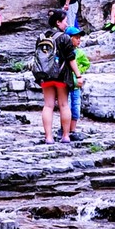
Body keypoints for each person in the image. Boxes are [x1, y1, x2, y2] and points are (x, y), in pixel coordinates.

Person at [32, 9, 76, 144]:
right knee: (63, 105)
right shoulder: (64, 37)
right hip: (61, 75)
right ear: (58, 22)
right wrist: (78, 75)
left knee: (48, 105)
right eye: (65, 21)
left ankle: (49, 137)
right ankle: (65, 136)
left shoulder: (41, 37)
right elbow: (71, 59)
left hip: (45, 75)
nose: (66, 24)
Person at [69, 30, 90, 137]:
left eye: (79, 38)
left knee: (76, 108)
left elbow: (87, 64)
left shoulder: (80, 53)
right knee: (66, 108)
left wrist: (78, 71)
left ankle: (72, 130)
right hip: (66, 86)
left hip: (76, 86)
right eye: (76, 38)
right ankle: (65, 129)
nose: (79, 41)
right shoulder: (63, 51)